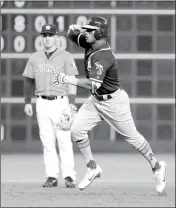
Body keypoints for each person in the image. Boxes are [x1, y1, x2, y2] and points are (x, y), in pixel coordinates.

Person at [54, 16, 167, 193]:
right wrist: (73, 28)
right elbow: (70, 34)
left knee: (134, 139)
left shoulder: (103, 56)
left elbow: (92, 84)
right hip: (95, 101)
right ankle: (92, 167)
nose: (85, 32)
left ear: (99, 33)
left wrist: (67, 79)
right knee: (76, 131)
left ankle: (157, 167)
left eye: (89, 30)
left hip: (114, 102)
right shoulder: (89, 40)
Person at [23, 24, 78, 188]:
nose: (47, 38)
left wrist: (72, 104)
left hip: (61, 102)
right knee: (47, 141)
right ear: (41, 37)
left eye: (50, 35)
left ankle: (69, 176)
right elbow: (28, 81)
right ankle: (51, 176)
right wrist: (27, 102)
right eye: (44, 35)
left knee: (64, 140)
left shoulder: (66, 56)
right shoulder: (34, 57)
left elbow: (72, 80)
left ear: (56, 37)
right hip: (41, 103)